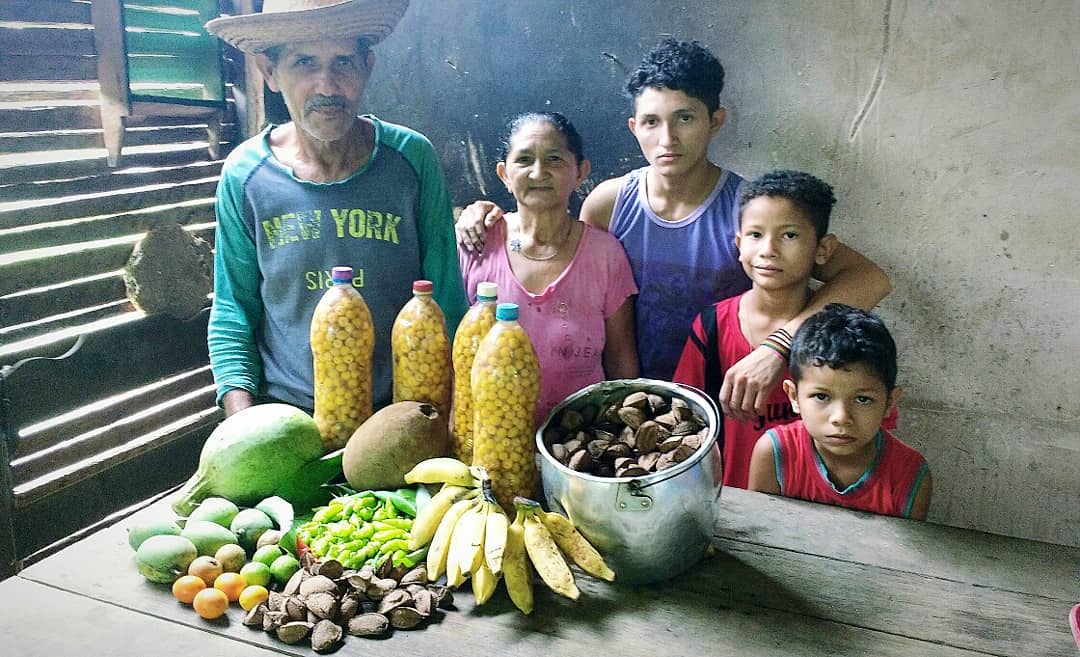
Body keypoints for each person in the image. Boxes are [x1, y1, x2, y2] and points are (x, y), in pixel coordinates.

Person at [456, 38, 891, 424]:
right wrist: (486, 215)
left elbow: (869, 279)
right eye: (651, 121)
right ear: (634, 127)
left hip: (728, 406)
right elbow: (572, 277)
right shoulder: (610, 203)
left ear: (715, 120)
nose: (668, 138)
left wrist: (779, 347)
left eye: (685, 118)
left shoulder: (750, 210)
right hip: (628, 412)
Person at [204, 0, 468, 417]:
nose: (327, 86)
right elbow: (233, 311)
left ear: (367, 66)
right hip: (289, 416)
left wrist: (451, 416)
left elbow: (448, 299)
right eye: (304, 61)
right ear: (270, 73)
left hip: (401, 417)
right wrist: (244, 425)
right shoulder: (246, 175)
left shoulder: (411, 159)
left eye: (343, 61)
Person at [458, 112, 638, 422]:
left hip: (580, 440)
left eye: (554, 160)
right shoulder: (477, 244)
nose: (538, 172)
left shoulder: (605, 255)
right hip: (492, 436)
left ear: (580, 172)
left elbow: (621, 360)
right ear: (503, 174)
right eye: (524, 160)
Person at [747, 304, 932, 520]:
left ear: (889, 402)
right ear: (794, 397)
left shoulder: (910, 475)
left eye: (863, 399)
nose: (841, 417)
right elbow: (758, 540)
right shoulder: (775, 454)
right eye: (822, 396)